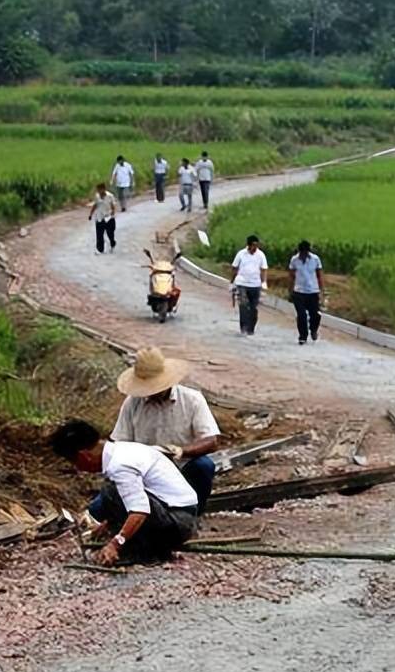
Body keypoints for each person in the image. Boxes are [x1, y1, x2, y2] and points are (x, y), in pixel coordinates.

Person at [49, 419, 198, 565]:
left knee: (111, 491)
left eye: (75, 462)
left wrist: (115, 544)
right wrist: (109, 524)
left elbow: (139, 511)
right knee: (111, 491)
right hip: (178, 514)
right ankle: (139, 544)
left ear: (83, 456)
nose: (78, 468)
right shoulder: (120, 450)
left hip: (177, 523)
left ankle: (147, 551)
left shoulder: (120, 466)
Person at [108, 347, 221, 514]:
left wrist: (181, 451)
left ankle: (194, 515)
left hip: (183, 468)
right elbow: (120, 443)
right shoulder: (132, 404)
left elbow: (212, 441)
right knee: (104, 500)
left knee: (203, 466)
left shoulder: (192, 399)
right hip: (146, 473)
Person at [230, 235, 267, 336]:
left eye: (257, 245)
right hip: (242, 283)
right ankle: (244, 327)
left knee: (253, 308)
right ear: (248, 245)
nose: (255, 248)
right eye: (253, 245)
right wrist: (232, 282)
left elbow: (263, 269)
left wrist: (263, 283)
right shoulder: (241, 254)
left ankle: (251, 327)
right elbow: (234, 268)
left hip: (255, 284)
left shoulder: (261, 255)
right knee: (243, 305)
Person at [288, 240, 324, 345]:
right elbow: (291, 276)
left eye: (306, 252)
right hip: (299, 292)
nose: (304, 254)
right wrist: (290, 291)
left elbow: (319, 275)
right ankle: (303, 336)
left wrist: (322, 290)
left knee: (316, 315)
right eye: (302, 252)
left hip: (313, 291)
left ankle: (313, 330)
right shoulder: (294, 260)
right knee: (302, 315)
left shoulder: (315, 259)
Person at [88, 182, 117, 254]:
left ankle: (112, 242)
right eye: (98, 190)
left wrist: (112, 213)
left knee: (110, 233)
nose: (99, 191)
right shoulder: (97, 196)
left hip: (108, 217)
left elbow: (113, 206)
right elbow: (95, 205)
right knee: (99, 234)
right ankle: (100, 249)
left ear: (104, 189)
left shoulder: (110, 196)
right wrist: (91, 214)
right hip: (99, 217)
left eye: (100, 190)